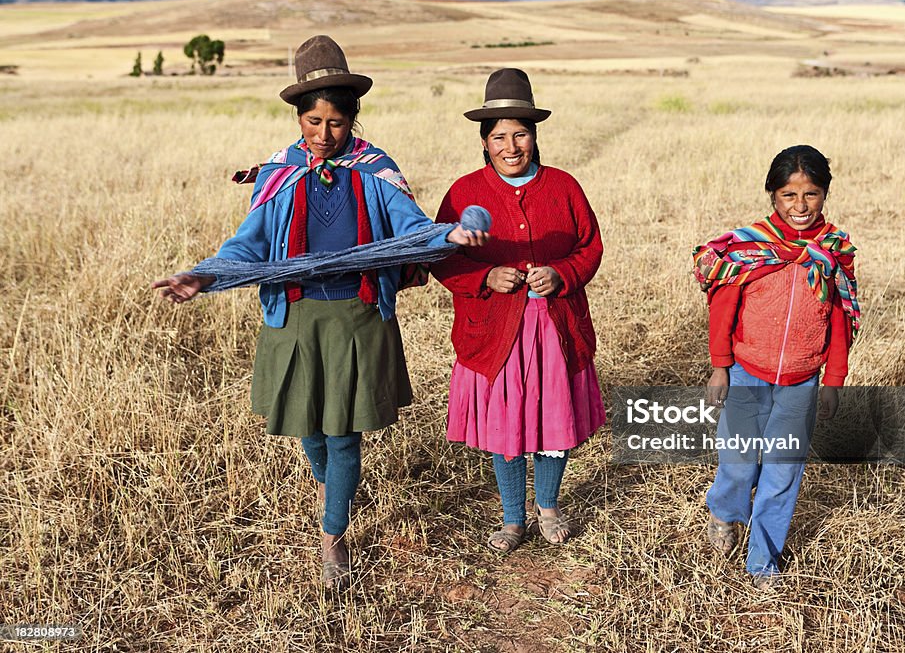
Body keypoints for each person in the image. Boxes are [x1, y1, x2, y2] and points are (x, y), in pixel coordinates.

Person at [152, 35, 485, 589]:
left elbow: (413, 231)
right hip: (295, 320)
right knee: (310, 428)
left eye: (335, 122)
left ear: (353, 117)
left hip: (357, 319)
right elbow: (246, 247)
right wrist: (204, 274)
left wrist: (453, 233)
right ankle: (334, 493)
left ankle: (333, 534)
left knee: (343, 436)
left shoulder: (376, 172)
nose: (324, 135)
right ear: (298, 118)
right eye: (313, 122)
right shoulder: (279, 175)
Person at [431, 68, 605, 554]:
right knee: (505, 424)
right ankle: (512, 518)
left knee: (553, 417)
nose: (511, 146)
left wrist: (562, 274)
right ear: (484, 142)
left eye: (520, 134)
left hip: (554, 326)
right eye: (499, 136)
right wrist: (483, 277)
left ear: (534, 136)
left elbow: (590, 247)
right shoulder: (464, 193)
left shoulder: (564, 187)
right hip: (494, 331)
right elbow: (443, 256)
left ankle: (548, 506)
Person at [692, 145, 860, 589]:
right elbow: (723, 311)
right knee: (739, 462)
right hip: (747, 372)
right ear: (772, 195)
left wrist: (834, 380)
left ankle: (763, 559)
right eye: (788, 195)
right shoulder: (751, 249)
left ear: (825, 194)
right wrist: (720, 366)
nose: (800, 205)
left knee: (783, 471)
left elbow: (840, 319)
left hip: (801, 381)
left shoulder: (833, 252)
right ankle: (725, 512)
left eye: (811, 194)